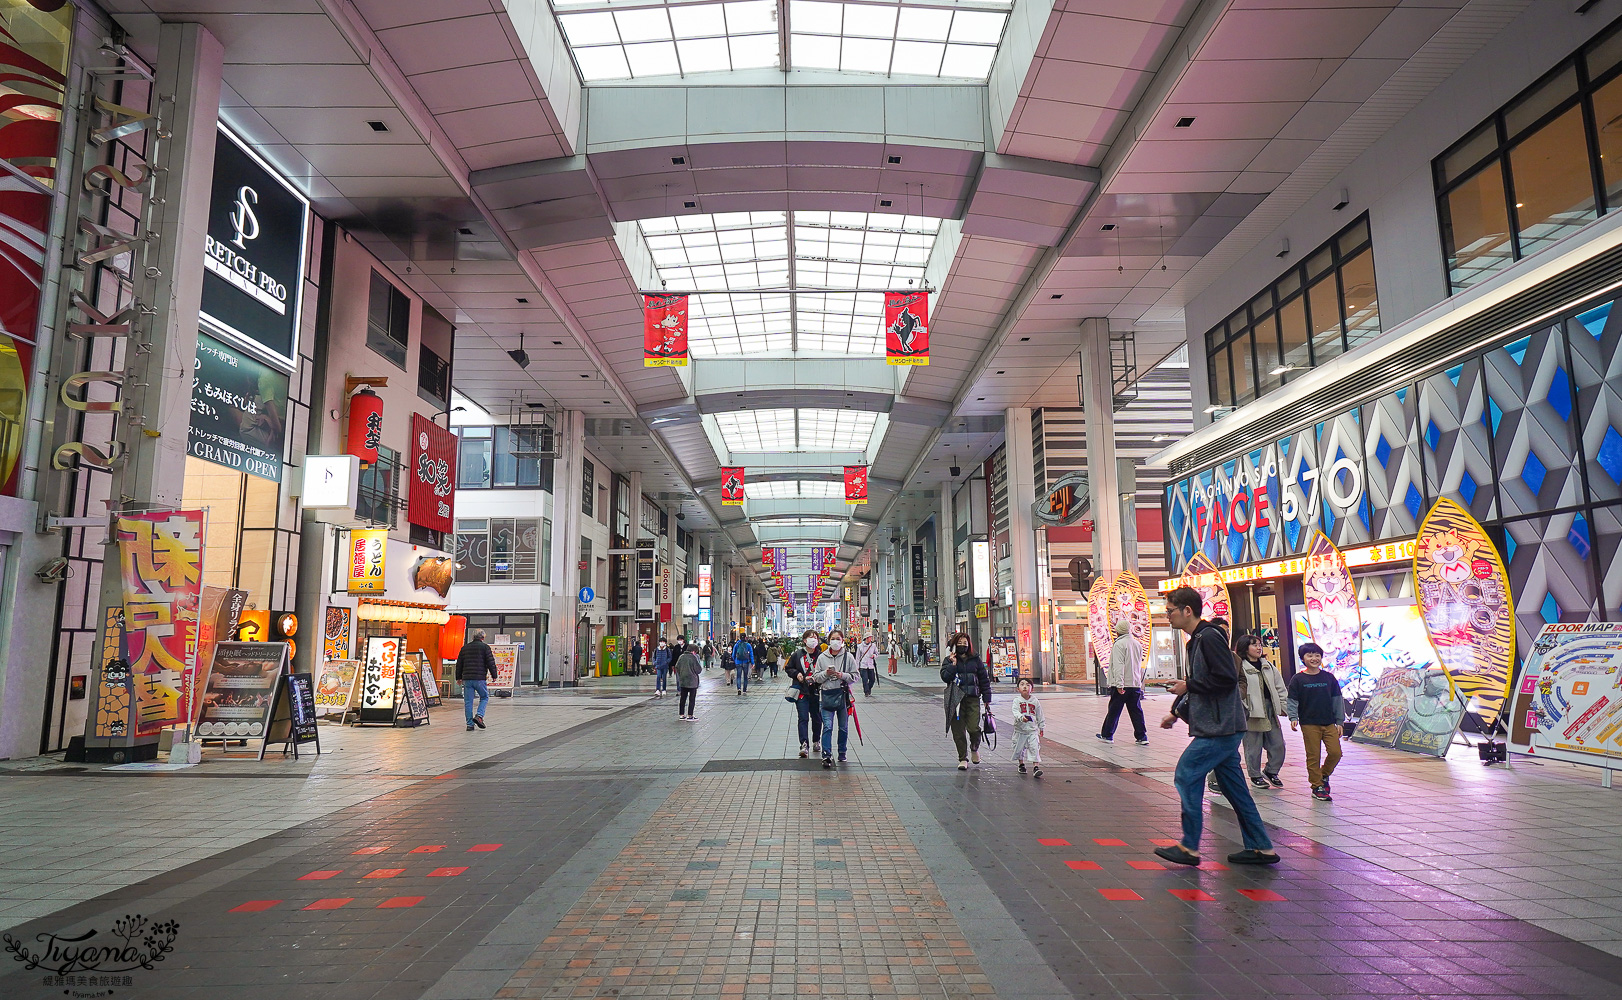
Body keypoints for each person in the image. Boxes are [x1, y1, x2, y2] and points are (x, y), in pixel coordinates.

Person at [1152, 587, 1279, 868]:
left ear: (1187, 610)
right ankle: (1261, 847)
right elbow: (1202, 682)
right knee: (1235, 789)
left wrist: (1189, 686)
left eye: (1170, 611)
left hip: (1221, 728)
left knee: (1186, 773)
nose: (1168, 616)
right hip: (1219, 724)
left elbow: (1225, 679)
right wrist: (1176, 711)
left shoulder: (1209, 637)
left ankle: (1189, 846)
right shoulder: (1196, 640)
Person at [1286, 642, 1345, 801]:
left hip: (1329, 723)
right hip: (1309, 723)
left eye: (1317, 655)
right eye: (1310, 655)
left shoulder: (1328, 678)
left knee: (1336, 753)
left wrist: (1340, 721)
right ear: (1303, 658)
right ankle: (1317, 786)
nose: (1314, 658)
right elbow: (1292, 700)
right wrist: (1293, 717)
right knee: (1313, 756)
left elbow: (1337, 700)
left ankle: (1323, 774)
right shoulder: (1298, 679)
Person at [1237, 634, 1289, 790]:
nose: (1259, 647)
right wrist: (1243, 706)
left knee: (1278, 744)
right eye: (1254, 645)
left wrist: (1284, 706)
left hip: (1270, 709)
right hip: (1251, 712)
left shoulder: (1268, 666)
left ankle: (1271, 771)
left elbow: (1280, 687)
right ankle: (1255, 775)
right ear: (1245, 648)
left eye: (1260, 644)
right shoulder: (1241, 666)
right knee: (1253, 746)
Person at [940, 632, 992, 770]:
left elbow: (984, 680)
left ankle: (974, 748)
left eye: (965, 643)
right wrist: (953, 664)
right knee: (958, 731)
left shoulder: (975, 660)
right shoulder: (948, 660)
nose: (963, 645)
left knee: (974, 728)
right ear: (954, 645)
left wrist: (987, 698)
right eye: (960, 643)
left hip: (972, 698)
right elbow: (945, 677)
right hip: (955, 700)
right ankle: (962, 758)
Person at [811, 629, 858, 767]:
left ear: (843, 641)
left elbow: (855, 676)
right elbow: (816, 678)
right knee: (827, 727)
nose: (835, 641)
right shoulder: (822, 657)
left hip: (842, 697)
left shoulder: (848, 657)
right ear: (829, 640)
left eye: (838, 639)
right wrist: (826, 673)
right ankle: (826, 755)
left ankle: (842, 753)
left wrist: (841, 675)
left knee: (843, 728)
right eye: (833, 639)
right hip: (826, 696)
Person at [1097, 618, 1148, 744]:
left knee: (1114, 710)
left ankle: (1107, 735)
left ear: (1118, 631)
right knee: (1136, 711)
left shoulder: (1119, 644)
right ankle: (1142, 737)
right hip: (1135, 683)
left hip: (1122, 685)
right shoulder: (1137, 644)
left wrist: (1119, 684)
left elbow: (1119, 666)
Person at [785, 629, 824, 757]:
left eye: (815, 637)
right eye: (810, 637)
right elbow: (788, 668)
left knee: (817, 718)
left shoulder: (821, 656)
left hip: (816, 692)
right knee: (803, 718)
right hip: (802, 691)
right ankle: (804, 744)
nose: (813, 639)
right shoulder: (797, 655)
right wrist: (797, 674)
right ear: (804, 640)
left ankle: (816, 740)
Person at [455, 629, 498, 731]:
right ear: (482, 638)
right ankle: (479, 716)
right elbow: (490, 662)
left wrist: (458, 677)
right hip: (479, 678)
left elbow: (459, 664)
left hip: (467, 679)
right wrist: (494, 675)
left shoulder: (464, 648)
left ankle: (470, 724)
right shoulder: (485, 648)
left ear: (473, 637)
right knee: (484, 697)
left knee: (468, 701)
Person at [1011, 677, 1045, 778]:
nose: (1025, 687)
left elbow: (1040, 714)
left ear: (1032, 689)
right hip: (1020, 730)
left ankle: (1036, 767)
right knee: (1019, 747)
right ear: (1018, 689)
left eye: (1028, 685)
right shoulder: (1017, 701)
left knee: (1034, 747)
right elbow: (1015, 711)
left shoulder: (1035, 701)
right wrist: (1021, 717)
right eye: (1022, 684)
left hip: (1032, 730)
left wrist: (1041, 726)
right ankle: (1021, 764)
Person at [675, 642, 703, 721]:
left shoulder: (681, 657)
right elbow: (698, 670)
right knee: (692, 699)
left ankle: (681, 714)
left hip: (683, 680)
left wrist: (681, 673)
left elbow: (677, 667)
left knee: (683, 698)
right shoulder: (693, 658)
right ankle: (690, 715)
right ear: (693, 651)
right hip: (692, 681)